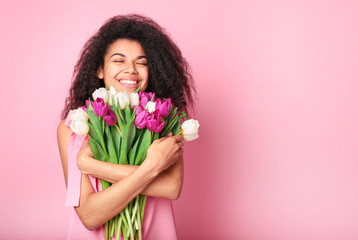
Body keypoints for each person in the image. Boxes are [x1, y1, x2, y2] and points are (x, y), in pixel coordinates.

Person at [57, 14, 196, 239]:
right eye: (118, 61)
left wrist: (90, 165)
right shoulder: (73, 128)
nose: (131, 69)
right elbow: (89, 216)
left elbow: (171, 188)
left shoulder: (164, 119)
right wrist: (152, 167)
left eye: (142, 62)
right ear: (99, 70)